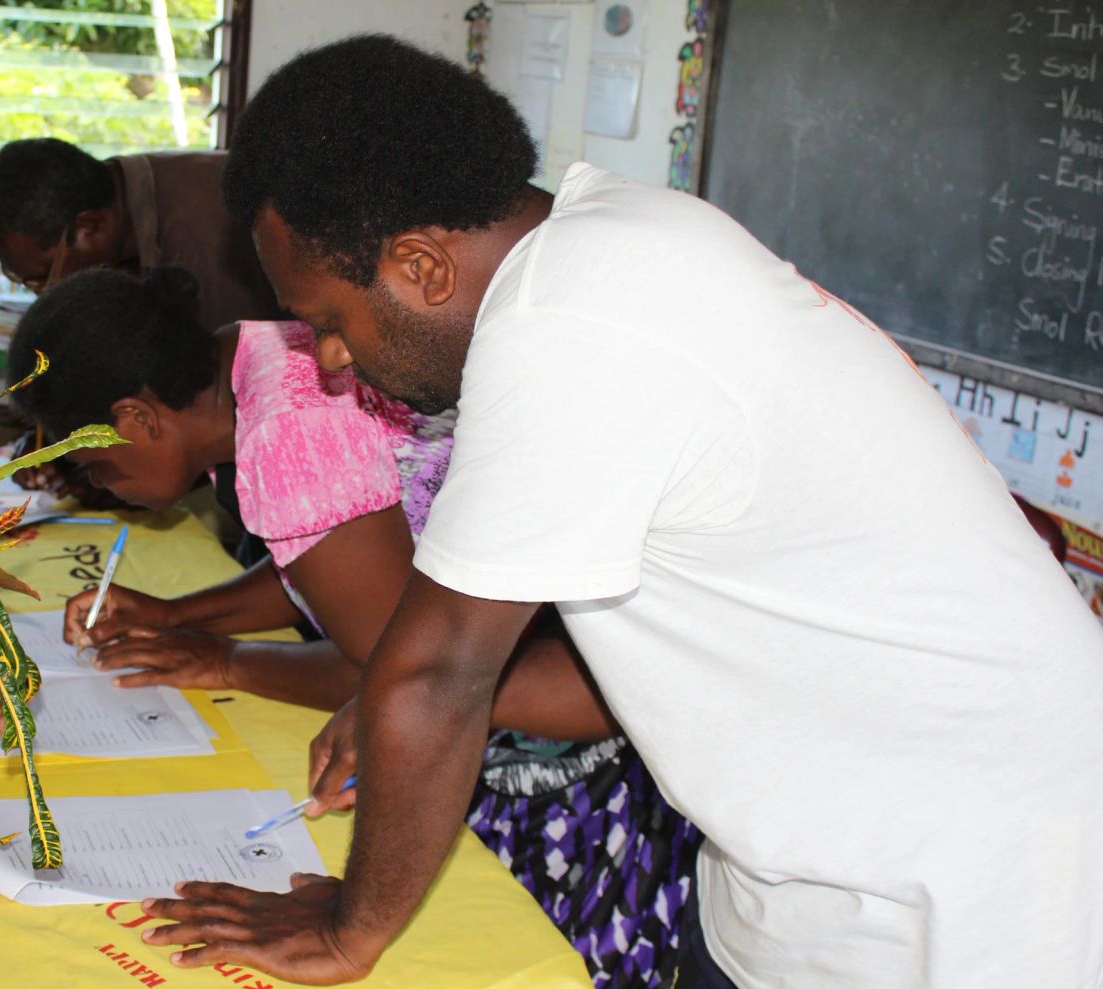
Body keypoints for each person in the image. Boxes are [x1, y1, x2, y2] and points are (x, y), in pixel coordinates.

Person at [131, 35, 1103, 989]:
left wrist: (349, 928)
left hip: (964, 892)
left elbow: (437, 670)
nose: (331, 361)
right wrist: (383, 699)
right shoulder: (609, 250)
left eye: (331, 320)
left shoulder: (566, 322)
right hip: (796, 874)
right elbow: (575, 631)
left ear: (422, 266)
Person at [8, 267, 700, 988]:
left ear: (137, 418)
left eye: (95, 468)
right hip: (557, 669)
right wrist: (180, 614)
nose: (97, 487)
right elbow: (338, 558)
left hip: (570, 752)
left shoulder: (284, 432)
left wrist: (226, 660)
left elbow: (398, 671)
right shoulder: (267, 354)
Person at [0, 138, 284, 329]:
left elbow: (233, 393)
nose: (42, 295)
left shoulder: (203, 242)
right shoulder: (114, 192)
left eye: (43, 280)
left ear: (90, 227)